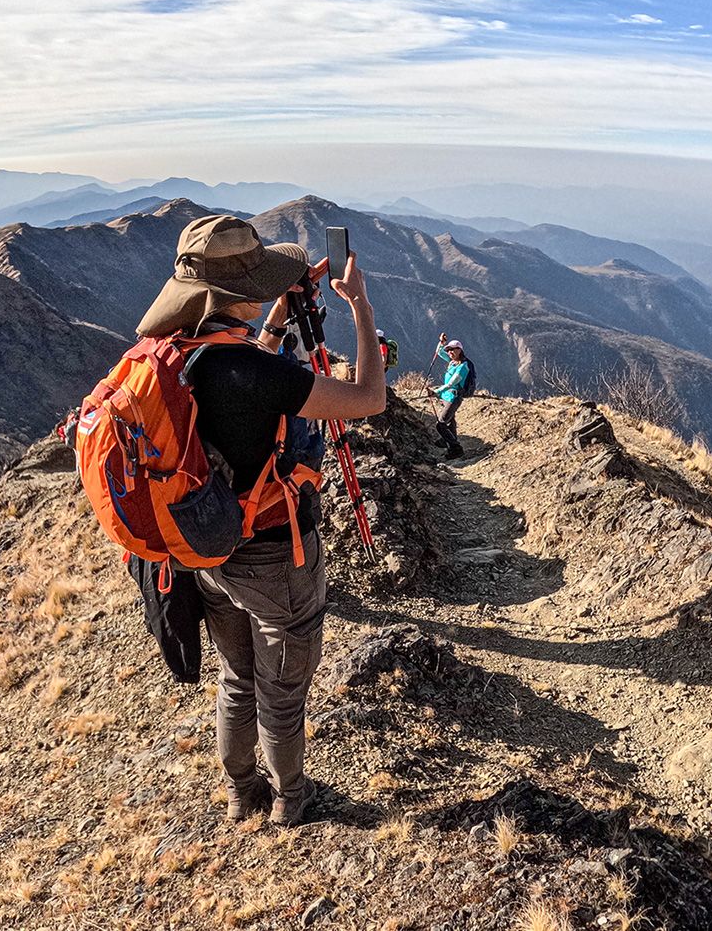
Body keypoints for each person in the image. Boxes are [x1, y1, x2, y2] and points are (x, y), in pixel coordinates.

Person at [133, 215, 386, 827]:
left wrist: (272, 322)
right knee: (281, 698)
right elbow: (368, 399)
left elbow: (239, 388)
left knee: (238, 680)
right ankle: (292, 804)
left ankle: (243, 791)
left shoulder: (176, 354)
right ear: (235, 296)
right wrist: (361, 309)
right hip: (274, 559)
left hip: (207, 551)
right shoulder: (252, 372)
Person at [428, 333, 471, 459]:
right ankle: (450, 440)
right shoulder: (453, 362)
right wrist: (441, 342)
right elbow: (439, 352)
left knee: (440, 424)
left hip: (453, 397)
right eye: (449, 350)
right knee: (450, 421)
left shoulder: (463, 367)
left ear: (460, 350)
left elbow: (452, 383)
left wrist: (436, 392)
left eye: (452, 349)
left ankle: (456, 448)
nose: (450, 352)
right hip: (447, 397)